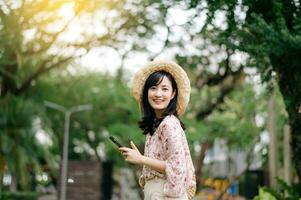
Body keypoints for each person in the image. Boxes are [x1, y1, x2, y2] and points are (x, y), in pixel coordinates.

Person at [119, 60, 196, 200]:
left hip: (166, 193)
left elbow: (176, 167)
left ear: (173, 94)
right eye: (153, 88)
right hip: (155, 192)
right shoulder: (156, 124)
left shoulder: (169, 125)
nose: (158, 94)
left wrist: (141, 159)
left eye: (165, 89)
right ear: (147, 92)